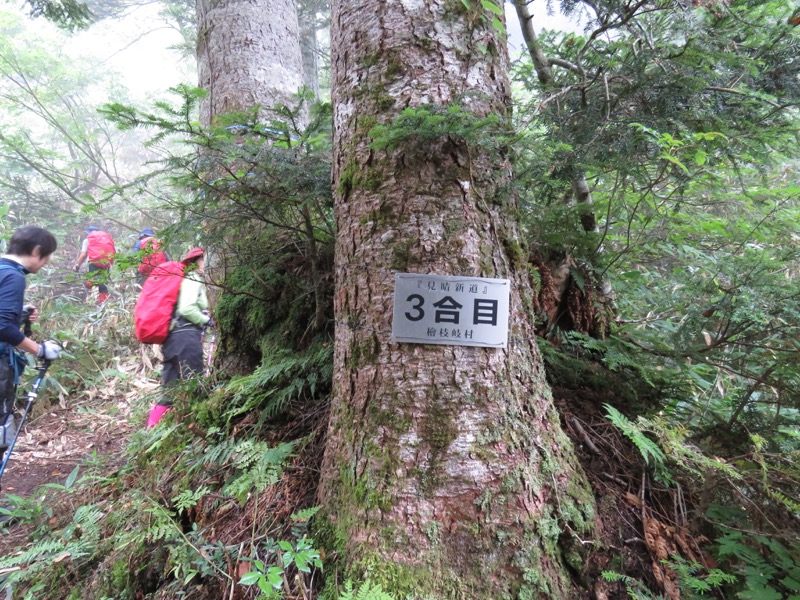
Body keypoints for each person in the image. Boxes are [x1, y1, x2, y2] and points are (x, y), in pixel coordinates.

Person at [0, 226, 62, 465]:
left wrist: (20, 315)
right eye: (47, 256)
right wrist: (39, 350)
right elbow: (3, 327)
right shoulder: (13, 276)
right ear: (37, 251)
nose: (46, 262)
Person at [146, 248, 212, 428]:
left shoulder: (182, 280)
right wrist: (207, 320)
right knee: (194, 385)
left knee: (169, 390)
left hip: (172, 339)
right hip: (187, 337)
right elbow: (187, 308)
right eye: (205, 259)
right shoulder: (193, 278)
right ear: (197, 260)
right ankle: (194, 432)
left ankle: (150, 434)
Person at [73, 226, 116, 305]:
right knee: (103, 284)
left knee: (92, 280)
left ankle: (87, 289)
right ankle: (103, 304)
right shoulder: (106, 240)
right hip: (106, 263)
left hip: (93, 263)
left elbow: (83, 254)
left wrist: (77, 265)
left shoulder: (87, 240)